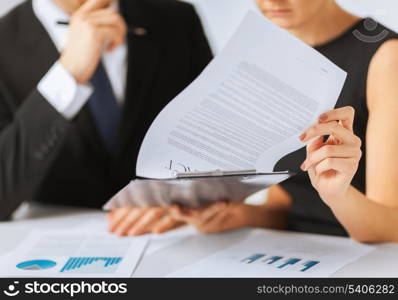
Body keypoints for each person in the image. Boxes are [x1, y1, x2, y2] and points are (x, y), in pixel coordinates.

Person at [109, 0, 398, 243]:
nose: (271, 2)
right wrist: (240, 215)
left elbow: (390, 228)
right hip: (293, 251)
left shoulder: (387, 58)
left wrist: (338, 195)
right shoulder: (280, 49)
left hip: (360, 258)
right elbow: (291, 202)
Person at [0, 0, 212, 220]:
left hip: (174, 232)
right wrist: (68, 73)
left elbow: (213, 140)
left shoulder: (178, 19)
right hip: (62, 236)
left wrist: (181, 202)